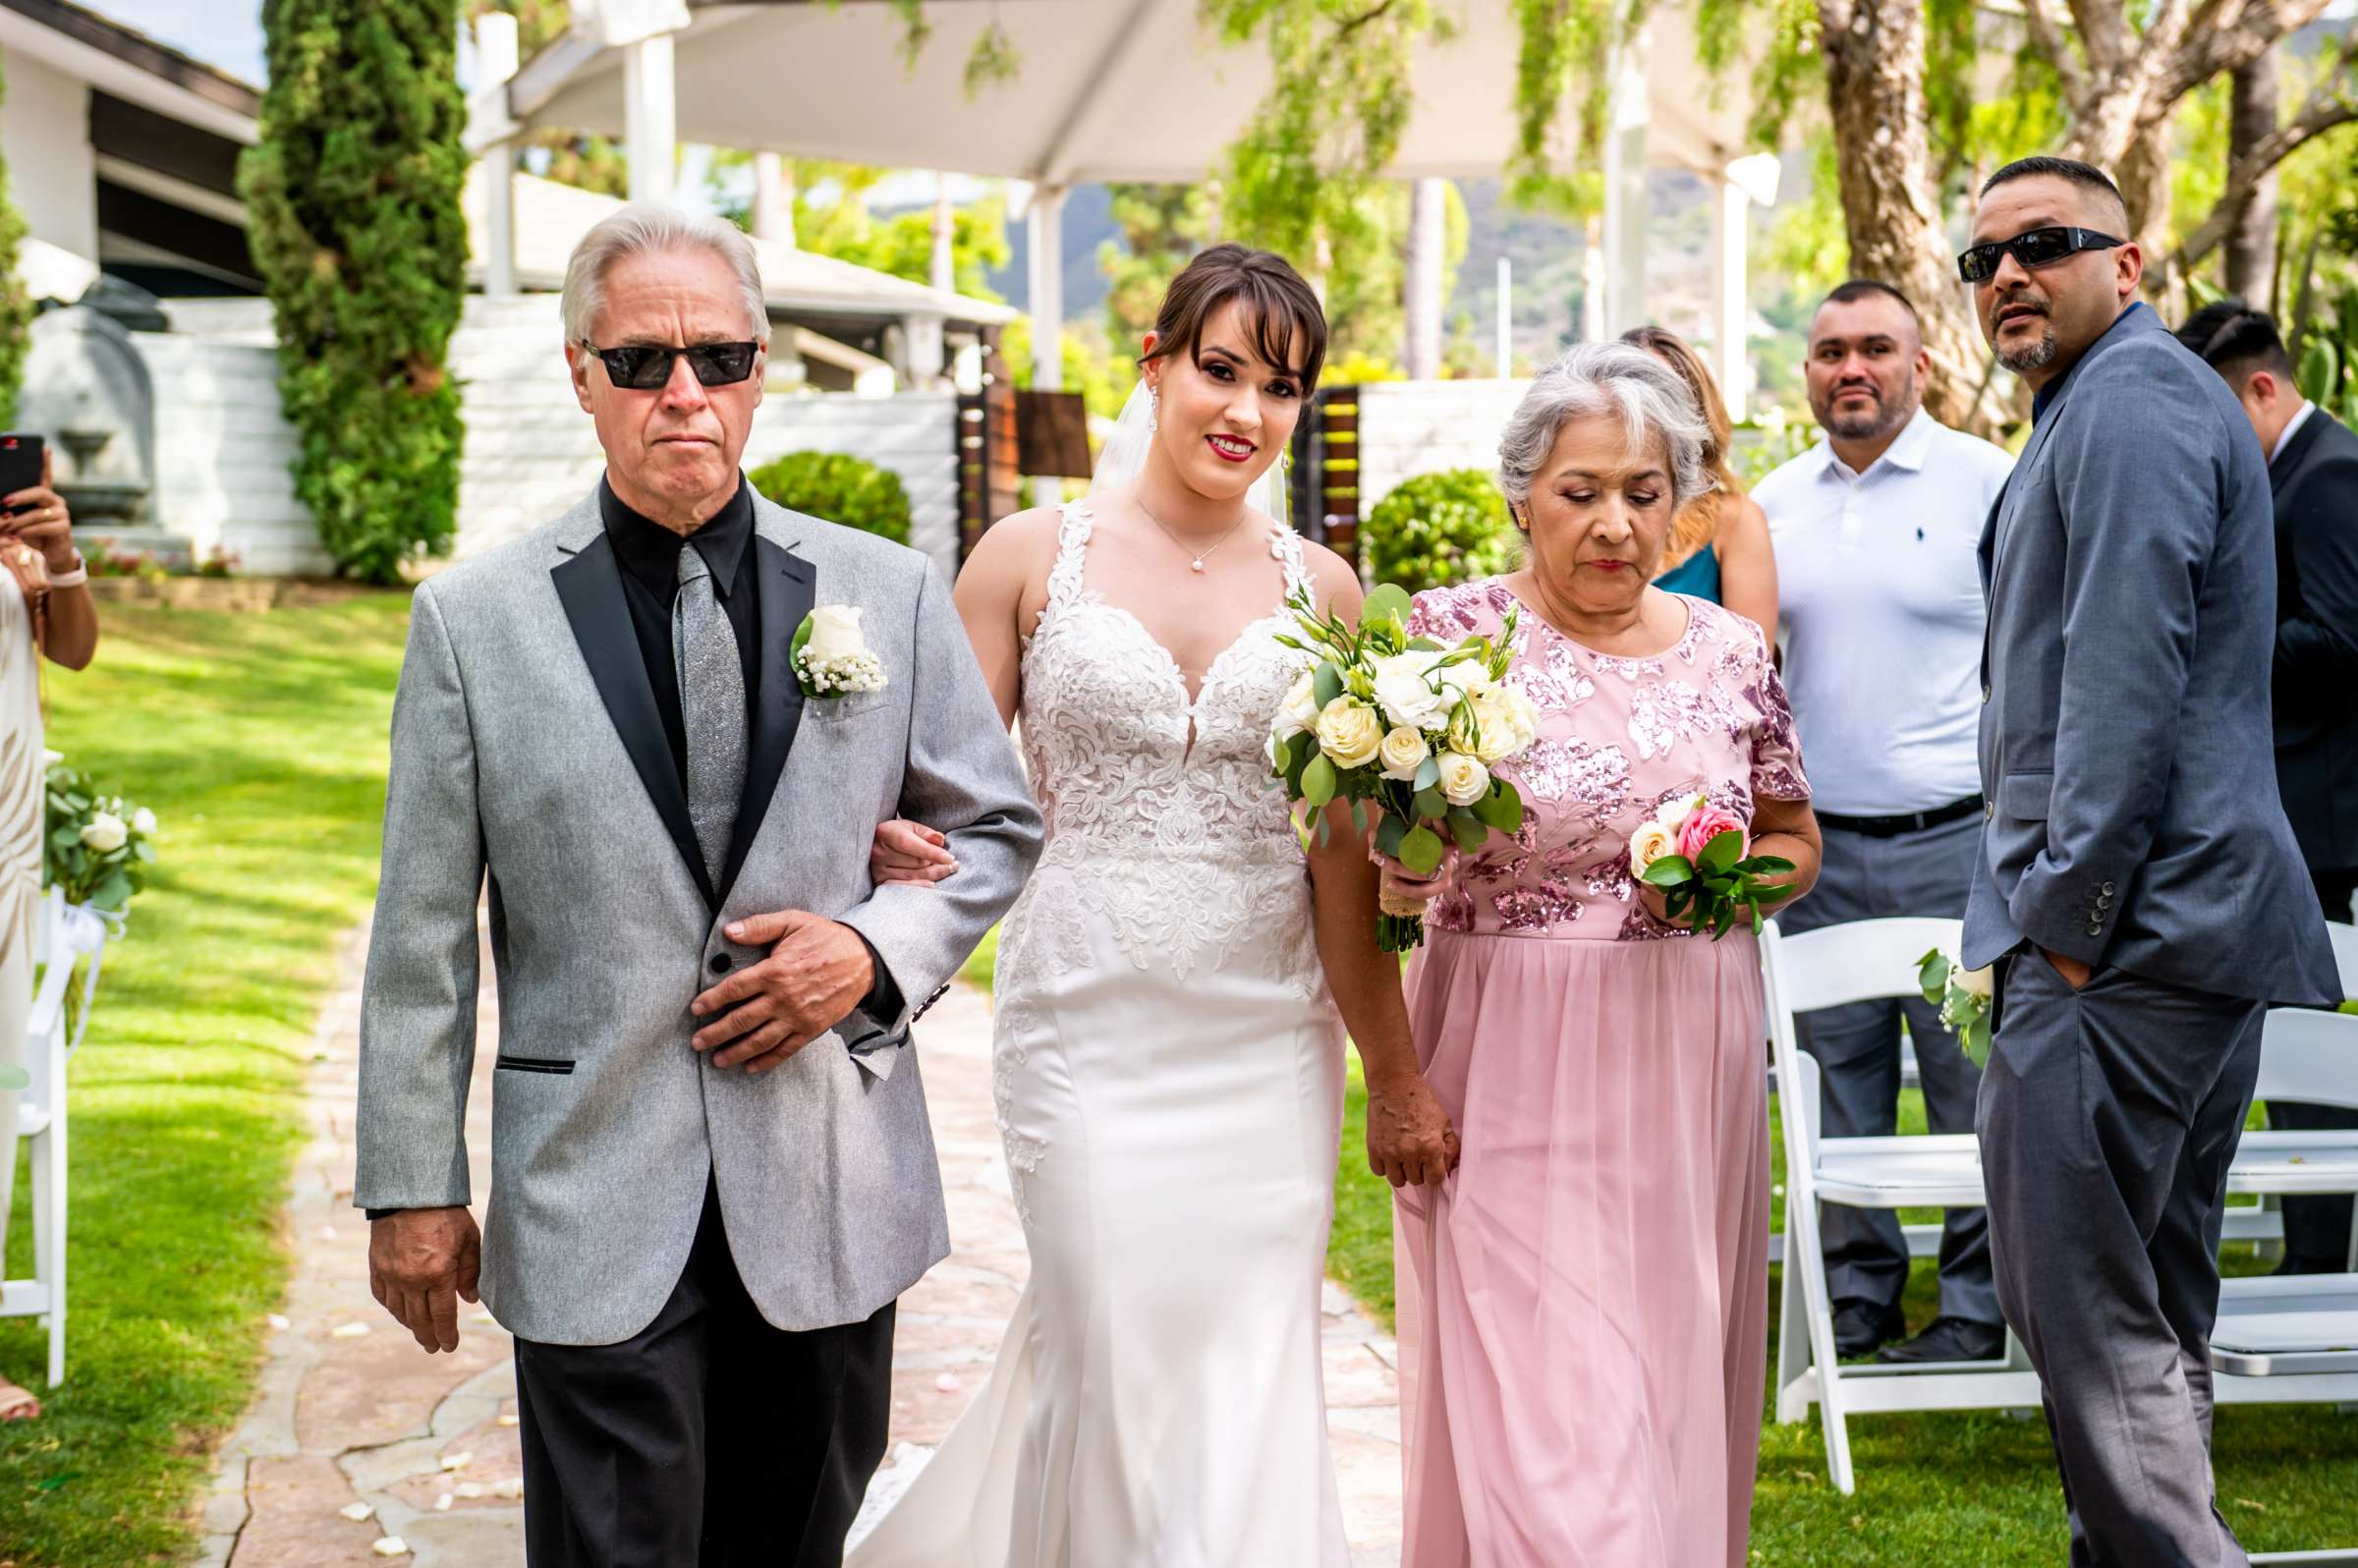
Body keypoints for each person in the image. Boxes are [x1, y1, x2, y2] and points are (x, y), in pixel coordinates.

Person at [353, 205, 1042, 1566]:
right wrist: (408, 1186)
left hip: (828, 1186)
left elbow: (997, 825)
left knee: (794, 1544)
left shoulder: (885, 594)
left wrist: (868, 949)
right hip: (592, 1180)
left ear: (762, 370)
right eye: (643, 363)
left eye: (721, 359)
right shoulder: (471, 623)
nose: (687, 395)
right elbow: (421, 933)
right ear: (579, 371)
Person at [848, 245, 1446, 1567]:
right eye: (1220, 370)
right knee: (1109, 1335)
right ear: (1156, 364)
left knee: (1244, 1367)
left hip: (1262, 1037)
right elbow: (925, 794)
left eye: (1279, 388)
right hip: (1086, 1021)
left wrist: (1393, 1075)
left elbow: (1343, 865)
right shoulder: (1024, 556)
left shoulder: (1327, 594)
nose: (1245, 411)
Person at [1382, 342, 1821, 1568]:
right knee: (1549, 1410)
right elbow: (1376, 871)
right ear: (1520, 495)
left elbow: (1794, 838)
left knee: (1662, 1379)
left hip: (1688, 1054)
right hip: (1507, 1052)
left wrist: (1728, 886)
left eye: (1644, 491)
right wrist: (1401, 887)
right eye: (1582, 492)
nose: (1615, 524)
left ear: (1683, 502)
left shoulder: (1734, 652)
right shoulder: (1447, 639)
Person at [1964, 156, 2341, 1565]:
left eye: (2044, 244)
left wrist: (2063, 918)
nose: (2007, 272)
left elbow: (2123, 682)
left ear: (2127, 267)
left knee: (2086, 1312)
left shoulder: (2126, 406)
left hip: (2126, 942)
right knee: (2151, 1310)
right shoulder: (2121, 403)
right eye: (1984, 257)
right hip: (2176, 938)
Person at [1752, 279, 2015, 1364]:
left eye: (1874, 349)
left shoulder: (1989, 485)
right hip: (1816, 853)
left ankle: (1974, 1308)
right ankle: (1854, 1297)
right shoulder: (1769, 503)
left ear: (1921, 364)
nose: (1849, 369)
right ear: (1806, 370)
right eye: (1828, 351)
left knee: (1971, 1086)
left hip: (1954, 844)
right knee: (1834, 1089)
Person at [2176, 300, 2358, 1277]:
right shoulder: (2296, 469)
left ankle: (2319, 1262)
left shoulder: (2328, 478)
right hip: (2294, 813)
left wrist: (2208, 644)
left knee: (2305, 1051)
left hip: (2320, 822)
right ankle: (2310, 1251)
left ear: (2261, 386)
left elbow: (2342, 643)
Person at [0, 449, 97, 1424]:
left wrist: (57, 556)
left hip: (5, 853)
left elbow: (70, 651)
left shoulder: (13, 536)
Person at [1620, 324, 1778, 634]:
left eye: (1663, 398)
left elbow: (1753, 670)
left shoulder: (1735, 520)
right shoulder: (1583, 519)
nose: (1642, 416)